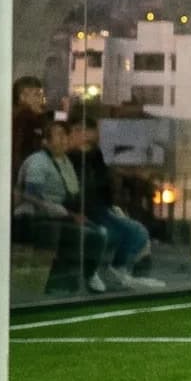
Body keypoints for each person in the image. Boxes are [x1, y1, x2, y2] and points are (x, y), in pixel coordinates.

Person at [67, 110, 165, 292]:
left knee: (137, 230)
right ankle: (105, 272)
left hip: (100, 207)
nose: (89, 135)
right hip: (87, 210)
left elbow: (105, 179)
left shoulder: (94, 156)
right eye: (80, 130)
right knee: (116, 231)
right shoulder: (71, 158)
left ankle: (119, 268)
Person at [17, 115, 111, 295]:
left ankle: (77, 277)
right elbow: (31, 197)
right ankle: (70, 278)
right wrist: (68, 215)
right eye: (59, 135)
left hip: (58, 215)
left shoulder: (65, 161)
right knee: (89, 234)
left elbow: (73, 194)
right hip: (34, 217)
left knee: (98, 232)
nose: (65, 139)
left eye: (66, 135)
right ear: (45, 142)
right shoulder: (38, 162)